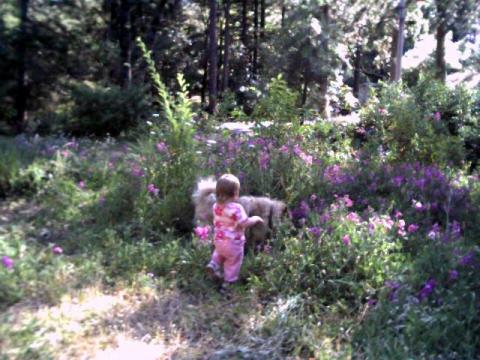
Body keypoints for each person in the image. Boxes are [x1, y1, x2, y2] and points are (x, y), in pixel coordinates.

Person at [206, 174, 264, 291]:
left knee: (220, 253)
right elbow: (244, 223)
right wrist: (256, 219)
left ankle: (213, 264)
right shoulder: (236, 208)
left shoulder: (216, 206)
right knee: (233, 262)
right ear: (235, 194)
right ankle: (228, 284)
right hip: (233, 244)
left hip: (219, 240)